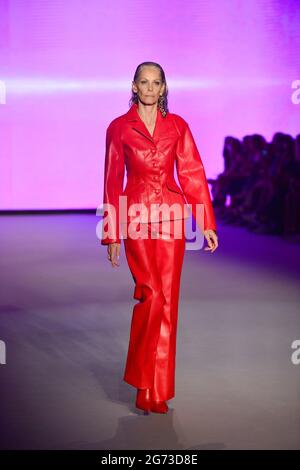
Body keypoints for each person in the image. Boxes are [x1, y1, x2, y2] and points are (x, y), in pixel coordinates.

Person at [101, 61, 218, 414]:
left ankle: (157, 390)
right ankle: (141, 380)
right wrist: (112, 233)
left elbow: (192, 172)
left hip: (171, 218)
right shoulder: (119, 128)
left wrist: (206, 221)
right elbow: (111, 181)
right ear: (134, 86)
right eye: (144, 82)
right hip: (136, 218)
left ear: (164, 88)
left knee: (168, 302)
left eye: (156, 83)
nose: (150, 89)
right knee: (149, 295)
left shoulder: (177, 126)